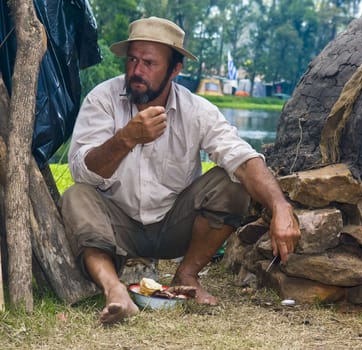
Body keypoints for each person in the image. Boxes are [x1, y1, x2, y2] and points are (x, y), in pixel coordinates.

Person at [59, 16, 300, 324]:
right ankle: (114, 289)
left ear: (175, 70)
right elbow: (83, 171)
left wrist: (280, 206)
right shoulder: (102, 100)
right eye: (132, 60)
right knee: (76, 196)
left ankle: (186, 275)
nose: (137, 71)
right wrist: (126, 139)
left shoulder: (196, 110)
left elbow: (242, 157)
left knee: (232, 184)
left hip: (174, 226)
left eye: (149, 63)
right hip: (116, 227)